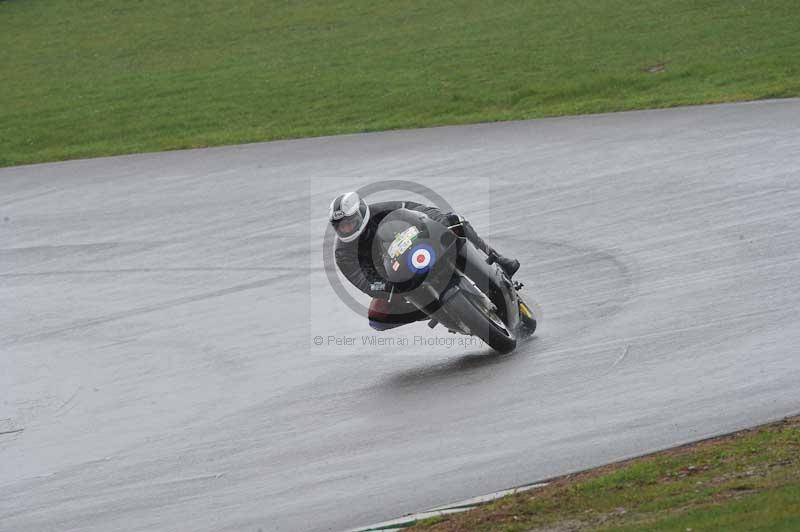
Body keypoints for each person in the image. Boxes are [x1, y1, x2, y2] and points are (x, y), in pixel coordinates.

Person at [329, 191, 520, 331]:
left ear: (361, 213)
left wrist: (442, 222)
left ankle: (497, 259)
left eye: (350, 222)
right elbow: (362, 282)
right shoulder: (342, 252)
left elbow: (418, 210)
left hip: (420, 248)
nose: (346, 228)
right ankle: (433, 311)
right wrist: (385, 287)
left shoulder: (382, 210)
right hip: (394, 277)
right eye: (341, 226)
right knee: (377, 317)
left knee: (455, 221)